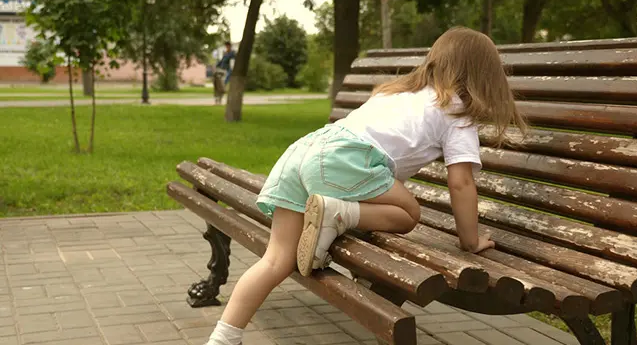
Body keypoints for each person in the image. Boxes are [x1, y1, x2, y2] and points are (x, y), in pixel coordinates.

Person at [203, 27, 527, 345]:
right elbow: (461, 183)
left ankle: (223, 338)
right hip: (345, 162)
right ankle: (337, 213)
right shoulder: (455, 112)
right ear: (485, 76)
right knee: (409, 213)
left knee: (275, 261)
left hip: (306, 151)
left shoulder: (400, 91)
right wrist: (469, 241)